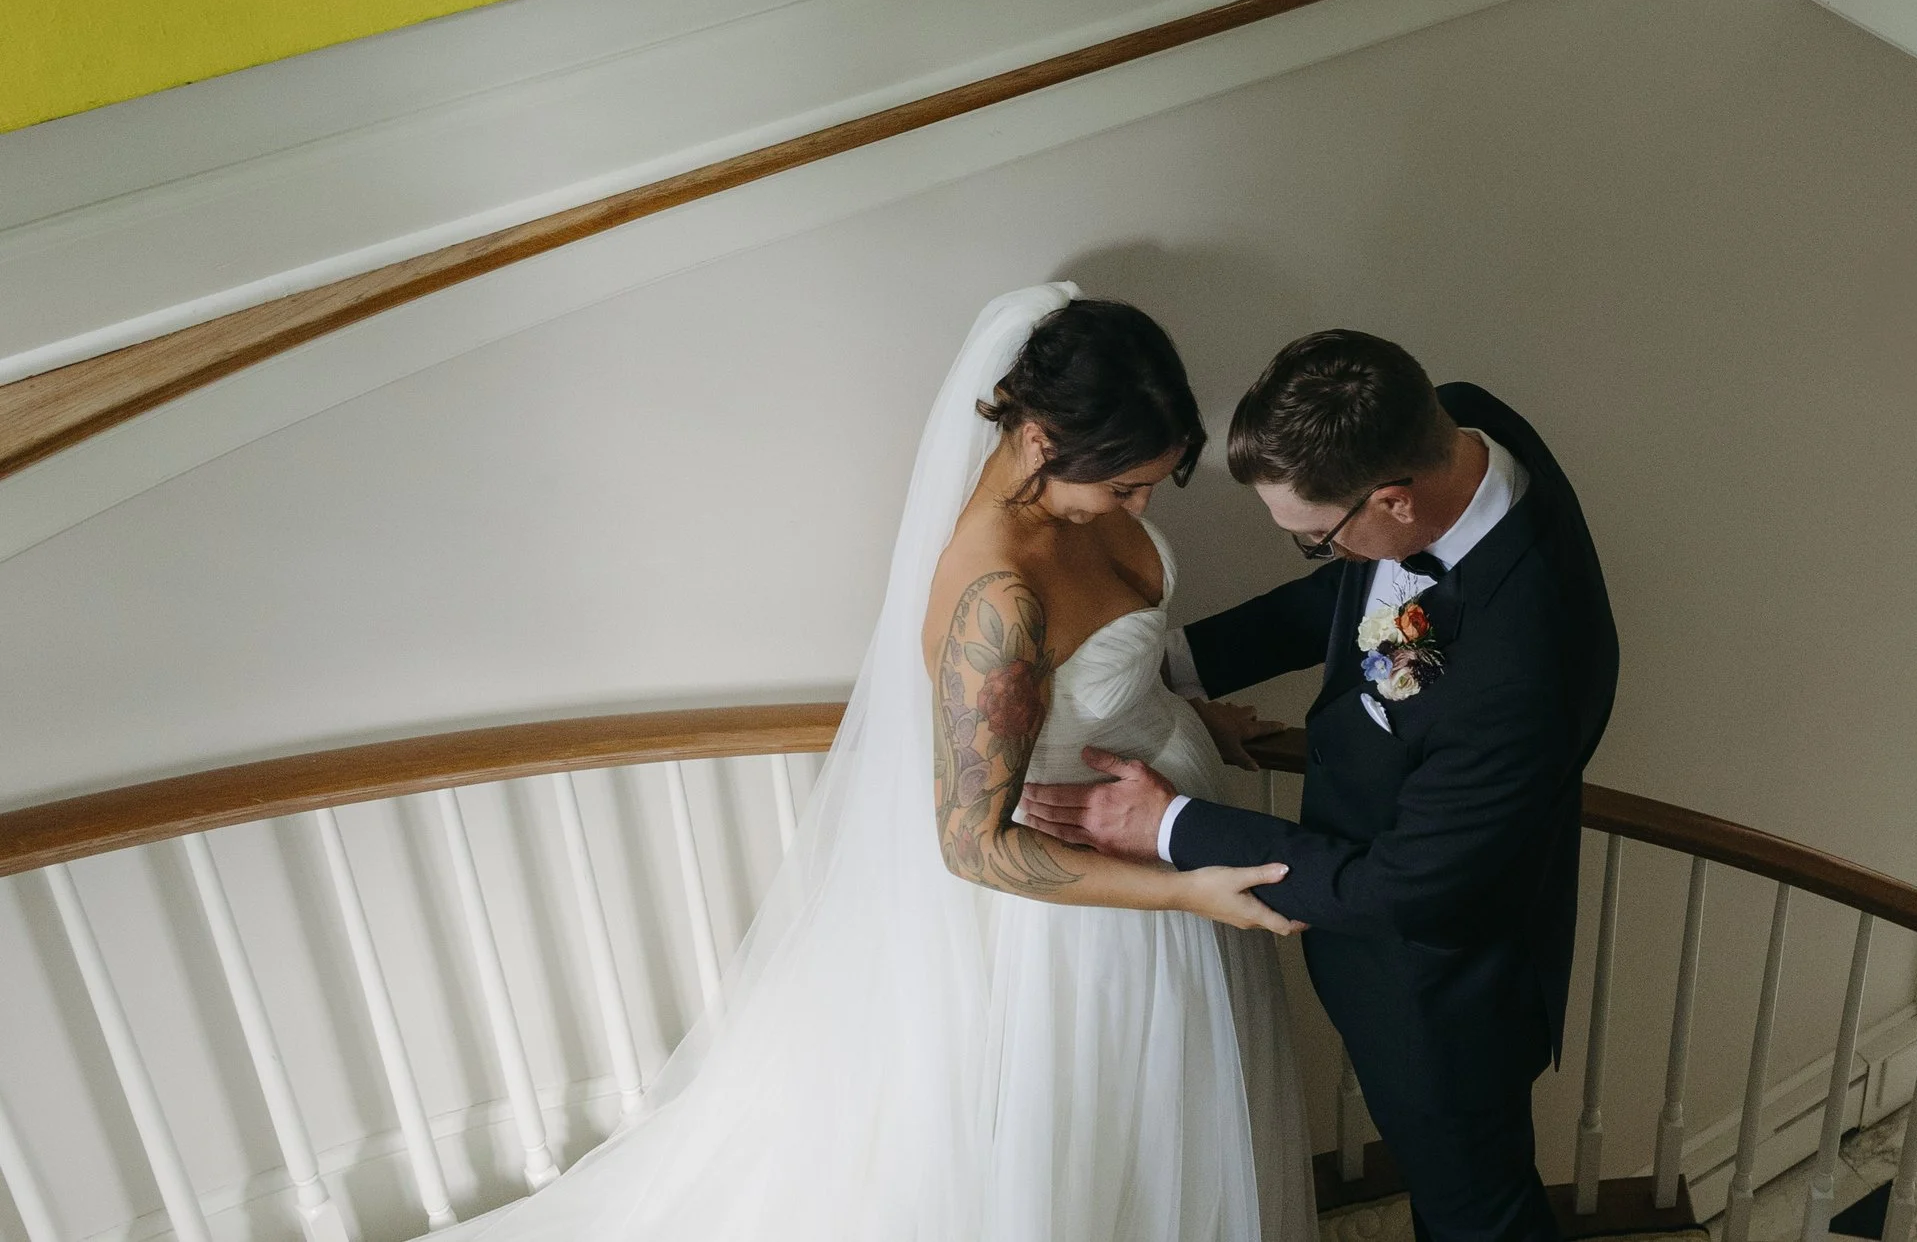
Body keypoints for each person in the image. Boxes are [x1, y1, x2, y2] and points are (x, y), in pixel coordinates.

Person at [436, 284, 1315, 1242]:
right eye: (1123, 487)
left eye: (1150, 485)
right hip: (1093, 906)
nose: (1140, 506)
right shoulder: (997, 602)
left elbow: (1100, 663)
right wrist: (1186, 892)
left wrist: (1180, 717)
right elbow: (974, 846)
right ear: (1039, 441)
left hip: (1171, 817)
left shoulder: (1078, 501)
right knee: (1105, 1153)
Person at [1023, 330, 1618, 1242]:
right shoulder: (1458, 422)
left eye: (1314, 538)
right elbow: (1358, 599)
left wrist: (1171, 826)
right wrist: (1159, 668)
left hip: (1444, 990)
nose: (1313, 549)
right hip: (1386, 946)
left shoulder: (1523, 671)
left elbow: (1404, 886)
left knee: (1478, 1216)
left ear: (1394, 500)